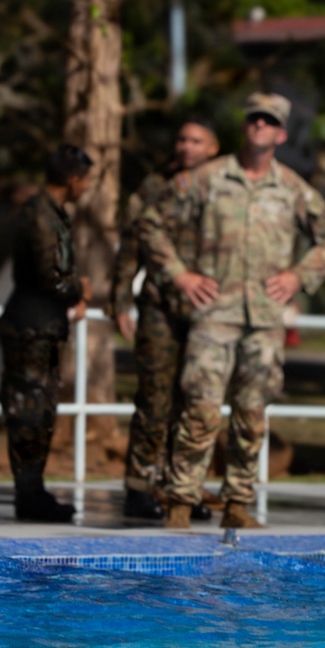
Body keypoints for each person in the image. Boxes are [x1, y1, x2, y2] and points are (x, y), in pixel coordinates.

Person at [139, 92, 325, 531]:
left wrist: (298, 277)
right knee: (201, 409)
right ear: (244, 125)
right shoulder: (208, 178)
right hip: (216, 313)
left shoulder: (292, 188)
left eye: (269, 121)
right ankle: (180, 503)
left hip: (266, 318)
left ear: (281, 133)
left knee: (252, 412)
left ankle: (237, 504)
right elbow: (151, 221)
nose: (260, 126)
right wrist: (180, 274)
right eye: (254, 119)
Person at [109, 118, 220, 522]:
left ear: (213, 148)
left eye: (196, 140)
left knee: (194, 403)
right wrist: (120, 301)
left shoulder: (224, 186)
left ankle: (181, 488)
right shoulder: (156, 186)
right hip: (159, 305)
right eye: (182, 138)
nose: (187, 146)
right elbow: (130, 245)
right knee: (154, 399)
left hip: (207, 312)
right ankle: (139, 488)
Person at [0, 144, 94, 522]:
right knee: (28, 412)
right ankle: (28, 494)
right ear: (73, 180)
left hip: (44, 326)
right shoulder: (40, 214)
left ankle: (33, 490)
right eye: (84, 181)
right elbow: (48, 276)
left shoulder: (52, 213)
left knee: (41, 411)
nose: (85, 188)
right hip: (30, 328)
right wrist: (78, 289)